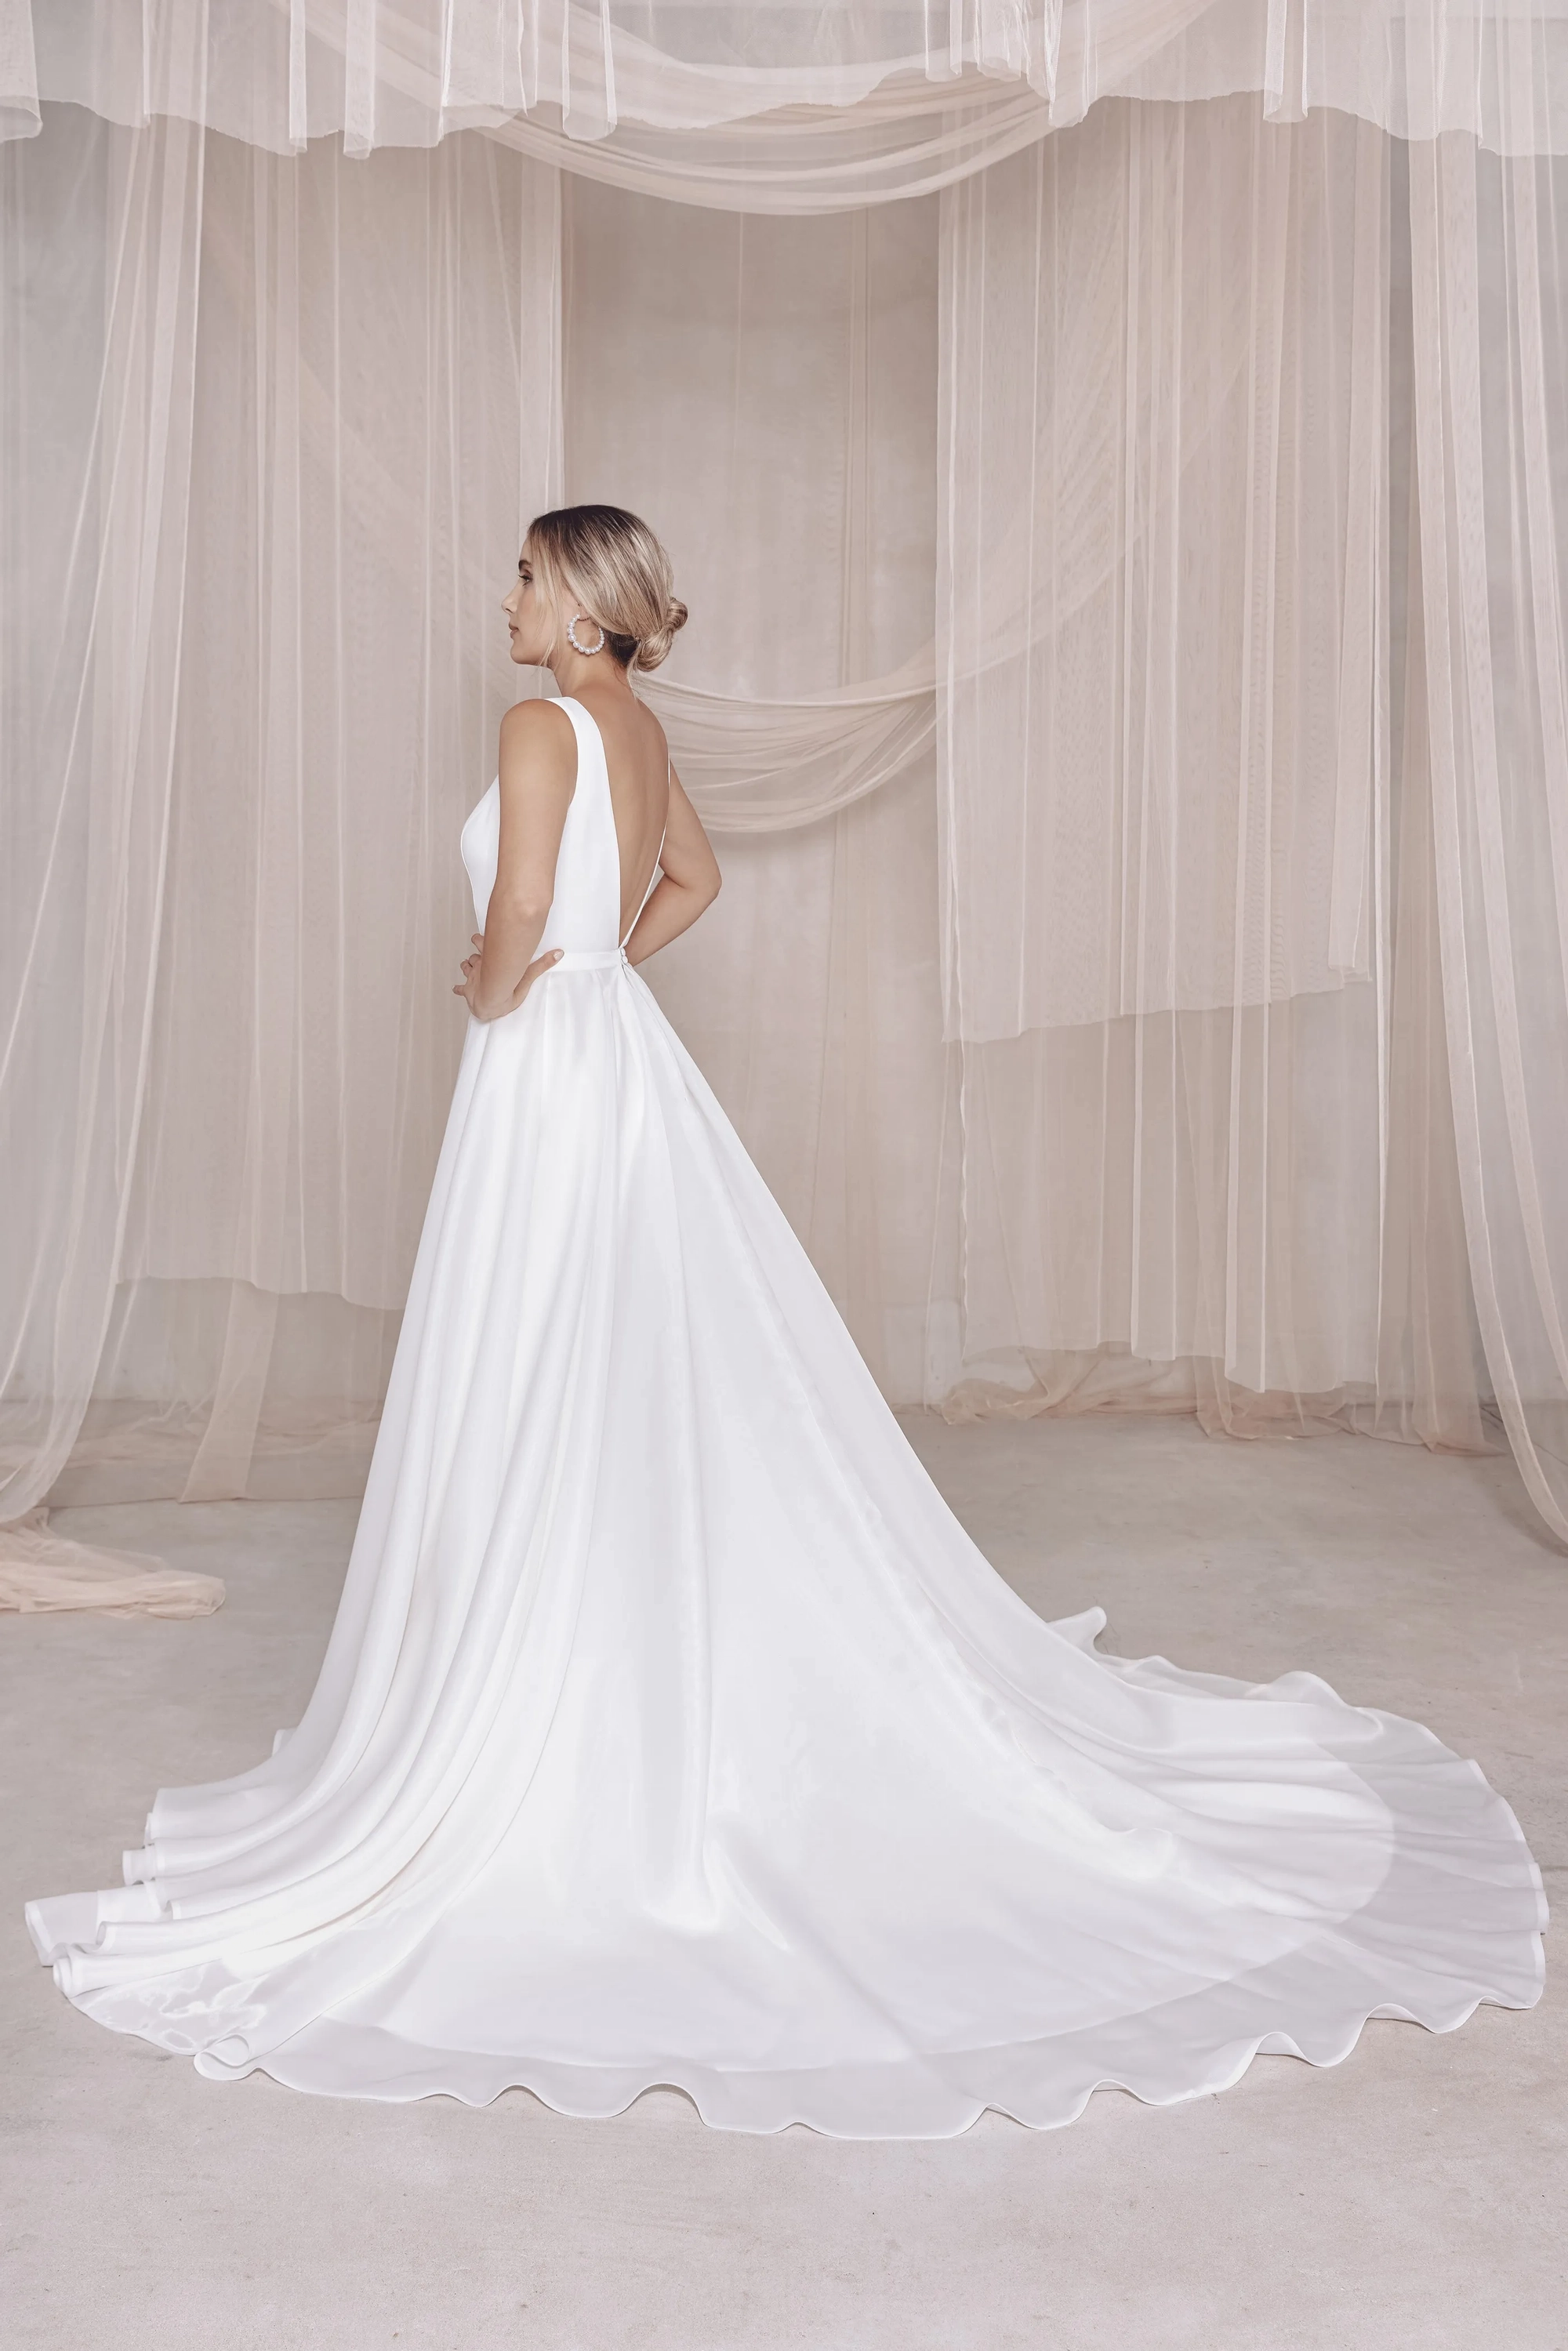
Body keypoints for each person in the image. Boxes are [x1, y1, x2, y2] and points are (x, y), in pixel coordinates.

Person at [26, 505, 1545, 2140]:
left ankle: (549, 1662)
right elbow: (694, 877)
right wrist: (603, 968)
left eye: (528, 575)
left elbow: (522, 904)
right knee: (627, 1360)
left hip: (545, 1077)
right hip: (619, 1059)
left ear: (583, 608)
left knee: (537, 1355)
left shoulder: (538, 724)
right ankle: (605, 1626)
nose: (507, 594)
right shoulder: (638, 726)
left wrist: (496, 982)